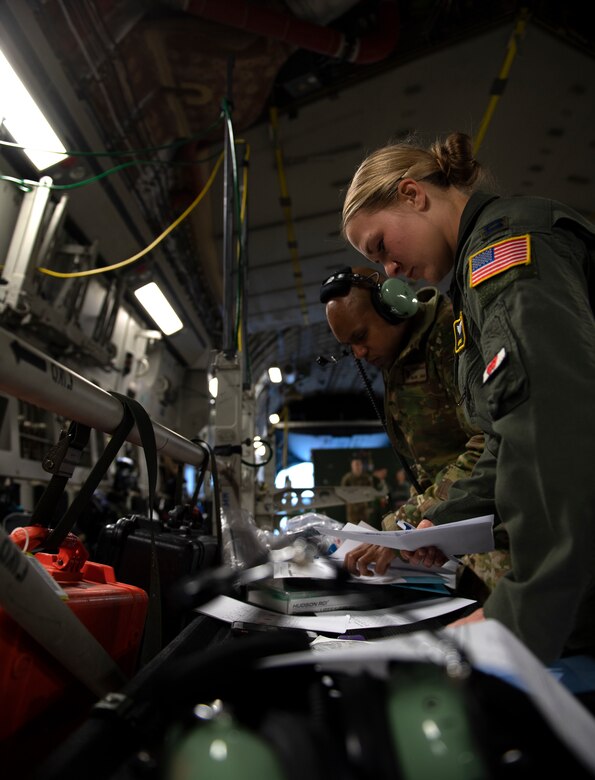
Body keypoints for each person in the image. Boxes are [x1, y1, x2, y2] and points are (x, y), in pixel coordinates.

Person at [340, 130, 595, 665]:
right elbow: (507, 437)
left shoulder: (507, 253)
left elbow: (553, 424)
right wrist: (445, 520)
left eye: (381, 247)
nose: (389, 271)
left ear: (412, 194)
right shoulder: (474, 281)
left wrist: (526, 612)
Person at [323, 266, 508, 598]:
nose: (359, 354)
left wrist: (401, 530)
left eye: (361, 336)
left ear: (394, 306)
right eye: (349, 345)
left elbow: (489, 443)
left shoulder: (449, 336)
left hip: (507, 533)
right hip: (466, 534)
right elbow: (436, 467)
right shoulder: (398, 357)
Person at [340, 455, 374, 524]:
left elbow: (371, 492)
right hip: (352, 511)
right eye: (356, 465)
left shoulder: (366, 477)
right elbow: (342, 492)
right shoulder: (347, 478)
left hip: (364, 510)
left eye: (359, 464)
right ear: (352, 466)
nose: (357, 467)